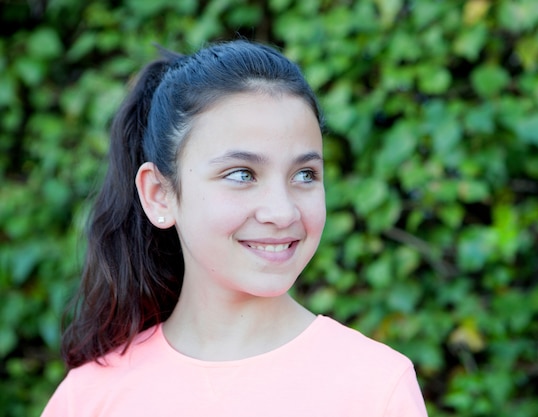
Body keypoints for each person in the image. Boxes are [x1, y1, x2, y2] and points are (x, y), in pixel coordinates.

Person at [41, 40, 428, 416]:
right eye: (242, 174)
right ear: (159, 194)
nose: (282, 212)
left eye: (305, 174)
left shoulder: (377, 387)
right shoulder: (89, 397)